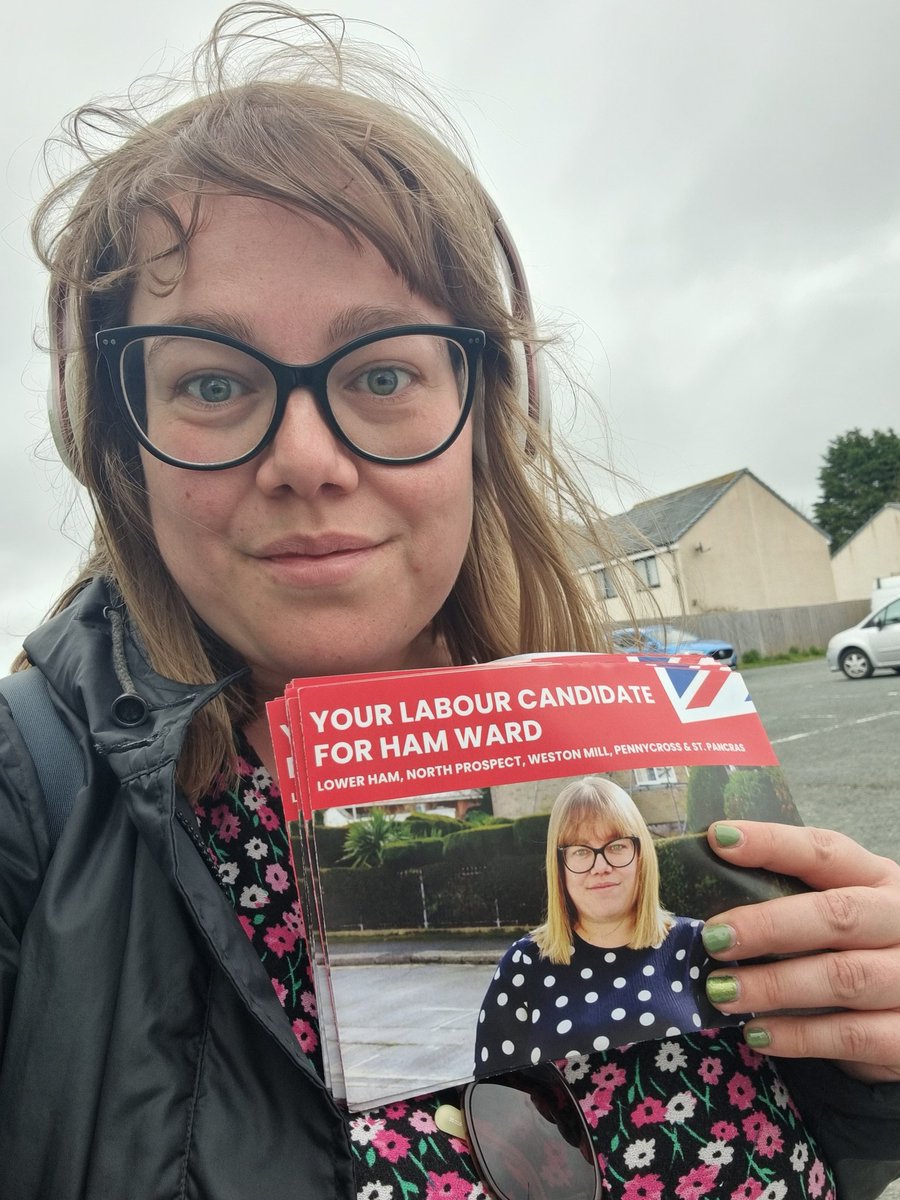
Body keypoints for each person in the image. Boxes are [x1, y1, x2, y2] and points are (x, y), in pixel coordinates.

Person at [2, 5, 900, 1198]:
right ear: (128, 449)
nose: (308, 457)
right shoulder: (31, 805)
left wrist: (864, 1057)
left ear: (479, 413)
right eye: (213, 382)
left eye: (380, 372)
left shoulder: (638, 745)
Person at [474, 777, 742, 1075]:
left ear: (640, 855)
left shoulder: (697, 946)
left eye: (616, 846)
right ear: (559, 867)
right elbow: (494, 1089)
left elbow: (744, 1067)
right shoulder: (524, 964)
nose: (600, 866)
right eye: (580, 851)